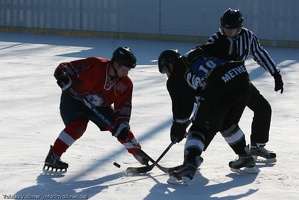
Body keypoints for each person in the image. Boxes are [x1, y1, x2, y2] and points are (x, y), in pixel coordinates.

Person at [158, 38, 259, 185]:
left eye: (166, 71)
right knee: (226, 123)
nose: (167, 75)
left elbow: (182, 109)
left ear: (170, 64)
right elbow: (222, 46)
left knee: (198, 129)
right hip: (241, 79)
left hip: (219, 88)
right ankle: (246, 157)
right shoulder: (196, 52)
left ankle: (189, 165)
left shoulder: (176, 77)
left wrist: (178, 129)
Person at [43, 47, 149, 172]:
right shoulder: (94, 65)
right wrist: (62, 76)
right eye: (125, 69)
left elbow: (124, 106)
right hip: (75, 99)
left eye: (128, 70)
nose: (127, 73)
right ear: (115, 64)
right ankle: (53, 155)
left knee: (120, 128)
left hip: (100, 106)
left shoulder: (126, 84)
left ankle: (138, 152)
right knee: (78, 125)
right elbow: (65, 68)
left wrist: (123, 122)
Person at [207, 8, 284, 163]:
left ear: (239, 28)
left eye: (231, 29)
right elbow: (204, 65)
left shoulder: (248, 37)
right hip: (221, 88)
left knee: (263, 108)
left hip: (240, 84)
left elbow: (260, 54)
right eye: (224, 28)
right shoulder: (215, 40)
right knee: (220, 122)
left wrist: (275, 74)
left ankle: (256, 146)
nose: (227, 32)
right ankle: (193, 154)